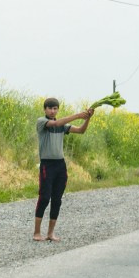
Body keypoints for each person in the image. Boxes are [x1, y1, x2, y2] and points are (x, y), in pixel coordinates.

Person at [33, 98, 94, 242]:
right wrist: (79, 115)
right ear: (45, 109)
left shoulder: (63, 125)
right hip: (47, 165)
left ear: (58, 110)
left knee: (57, 199)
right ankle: (36, 233)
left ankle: (50, 233)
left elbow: (80, 130)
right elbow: (56, 123)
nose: (53, 111)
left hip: (60, 165)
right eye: (50, 108)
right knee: (44, 198)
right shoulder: (42, 122)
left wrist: (87, 119)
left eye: (55, 109)